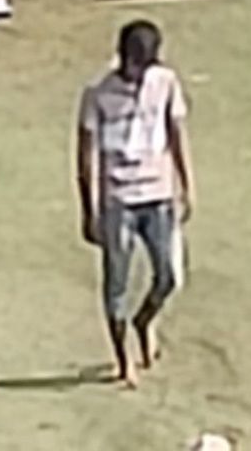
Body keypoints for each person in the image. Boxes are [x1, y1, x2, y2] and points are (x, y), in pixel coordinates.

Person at [76, 20, 195, 390]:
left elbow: (177, 133)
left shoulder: (166, 84)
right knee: (116, 285)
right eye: (134, 65)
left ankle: (145, 320)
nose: (139, 74)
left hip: (157, 195)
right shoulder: (98, 94)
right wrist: (89, 208)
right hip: (118, 201)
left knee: (170, 276)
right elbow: (85, 155)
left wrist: (187, 184)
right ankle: (123, 359)